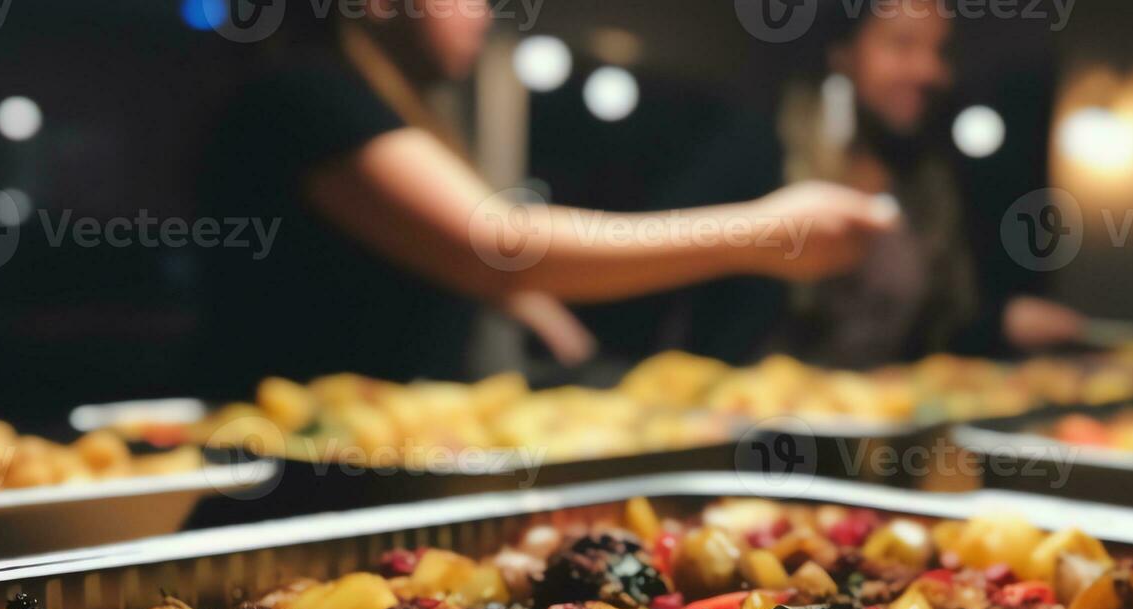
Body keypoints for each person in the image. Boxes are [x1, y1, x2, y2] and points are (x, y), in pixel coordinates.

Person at [197, 0, 894, 396]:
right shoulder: (305, 96)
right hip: (292, 474)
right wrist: (760, 232)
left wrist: (539, 307)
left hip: (372, 463)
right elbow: (495, 244)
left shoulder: (357, 100)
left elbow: (407, 261)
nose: (484, 12)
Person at [777, 0, 1082, 365]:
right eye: (902, 44)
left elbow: (935, 333)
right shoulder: (767, 160)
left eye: (939, 51)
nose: (930, 71)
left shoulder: (929, 180)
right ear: (842, 53)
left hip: (889, 410)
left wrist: (1000, 324)